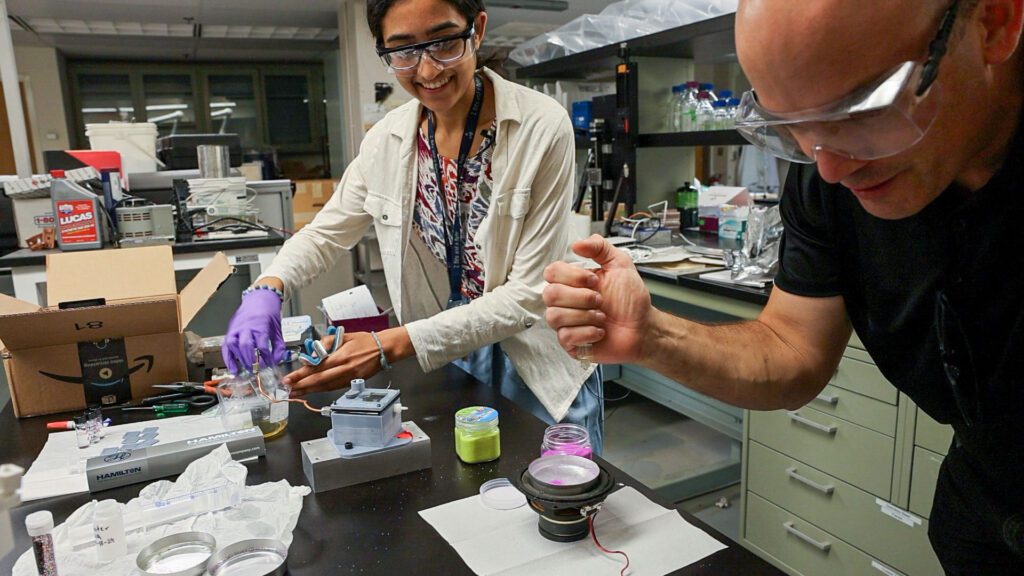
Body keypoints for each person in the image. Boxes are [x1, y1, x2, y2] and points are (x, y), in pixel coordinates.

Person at [542, 0, 1022, 572]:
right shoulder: (828, 175)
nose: (831, 168)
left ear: (994, 22)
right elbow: (793, 348)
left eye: (860, 111)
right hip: (982, 508)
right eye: (791, 129)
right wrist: (652, 336)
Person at [221, 0, 604, 452]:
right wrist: (268, 288)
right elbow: (326, 233)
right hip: (451, 353)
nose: (427, 69)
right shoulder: (386, 141)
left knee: (556, 485)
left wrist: (388, 345)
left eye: (444, 42)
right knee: (464, 482)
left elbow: (526, 296)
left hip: (537, 359)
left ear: (477, 29)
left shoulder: (540, 126)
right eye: (404, 50)